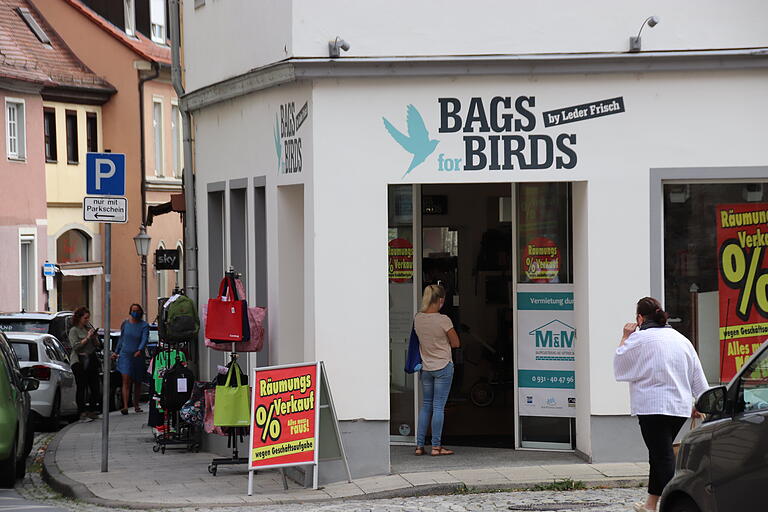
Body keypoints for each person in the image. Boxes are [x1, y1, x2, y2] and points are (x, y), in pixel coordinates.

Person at [613, 297, 709, 512]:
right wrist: (701, 401)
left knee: (662, 456)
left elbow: (620, 365)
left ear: (640, 318)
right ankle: (650, 504)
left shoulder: (639, 339)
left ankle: (678, 505)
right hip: (679, 408)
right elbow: (697, 375)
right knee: (659, 454)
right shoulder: (681, 339)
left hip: (651, 407)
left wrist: (626, 336)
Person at [413, 284, 460, 457]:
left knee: (426, 406)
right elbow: (456, 343)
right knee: (438, 407)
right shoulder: (443, 320)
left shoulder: (418, 318)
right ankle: (436, 447)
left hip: (426, 368)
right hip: (443, 366)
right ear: (441, 300)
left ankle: (419, 446)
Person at [113, 304, 149, 415]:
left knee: (137, 381)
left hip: (137, 356)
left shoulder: (144, 325)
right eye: (133, 310)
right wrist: (116, 352)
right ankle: (125, 405)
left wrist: (140, 349)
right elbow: (121, 339)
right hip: (125, 355)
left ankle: (136, 404)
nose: (135, 313)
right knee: (126, 379)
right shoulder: (125, 324)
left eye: (137, 311)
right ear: (130, 311)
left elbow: (144, 338)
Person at [68, 306, 101, 421]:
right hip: (79, 361)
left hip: (91, 360)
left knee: (95, 387)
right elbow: (76, 346)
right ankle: (81, 411)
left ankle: (92, 410)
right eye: (85, 318)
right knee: (82, 386)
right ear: (79, 318)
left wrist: (94, 337)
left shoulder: (88, 328)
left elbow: (97, 345)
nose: (87, 320)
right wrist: (87, 338)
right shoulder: (74, 330)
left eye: (88, 318)